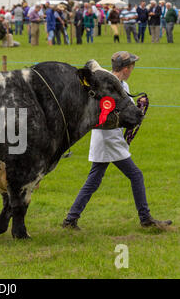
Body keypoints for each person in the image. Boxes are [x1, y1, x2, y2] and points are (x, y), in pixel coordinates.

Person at [63, 51, 173, 231]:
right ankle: (145, 218)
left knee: (94, 180)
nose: (132, 69)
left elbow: (125, 112)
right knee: (135, 175)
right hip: (108, 139)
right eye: (132, 66)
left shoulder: (124, 86)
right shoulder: (107, 86)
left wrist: (139, 108)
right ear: (127, 68)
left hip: (111, 139)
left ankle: (70, 219)